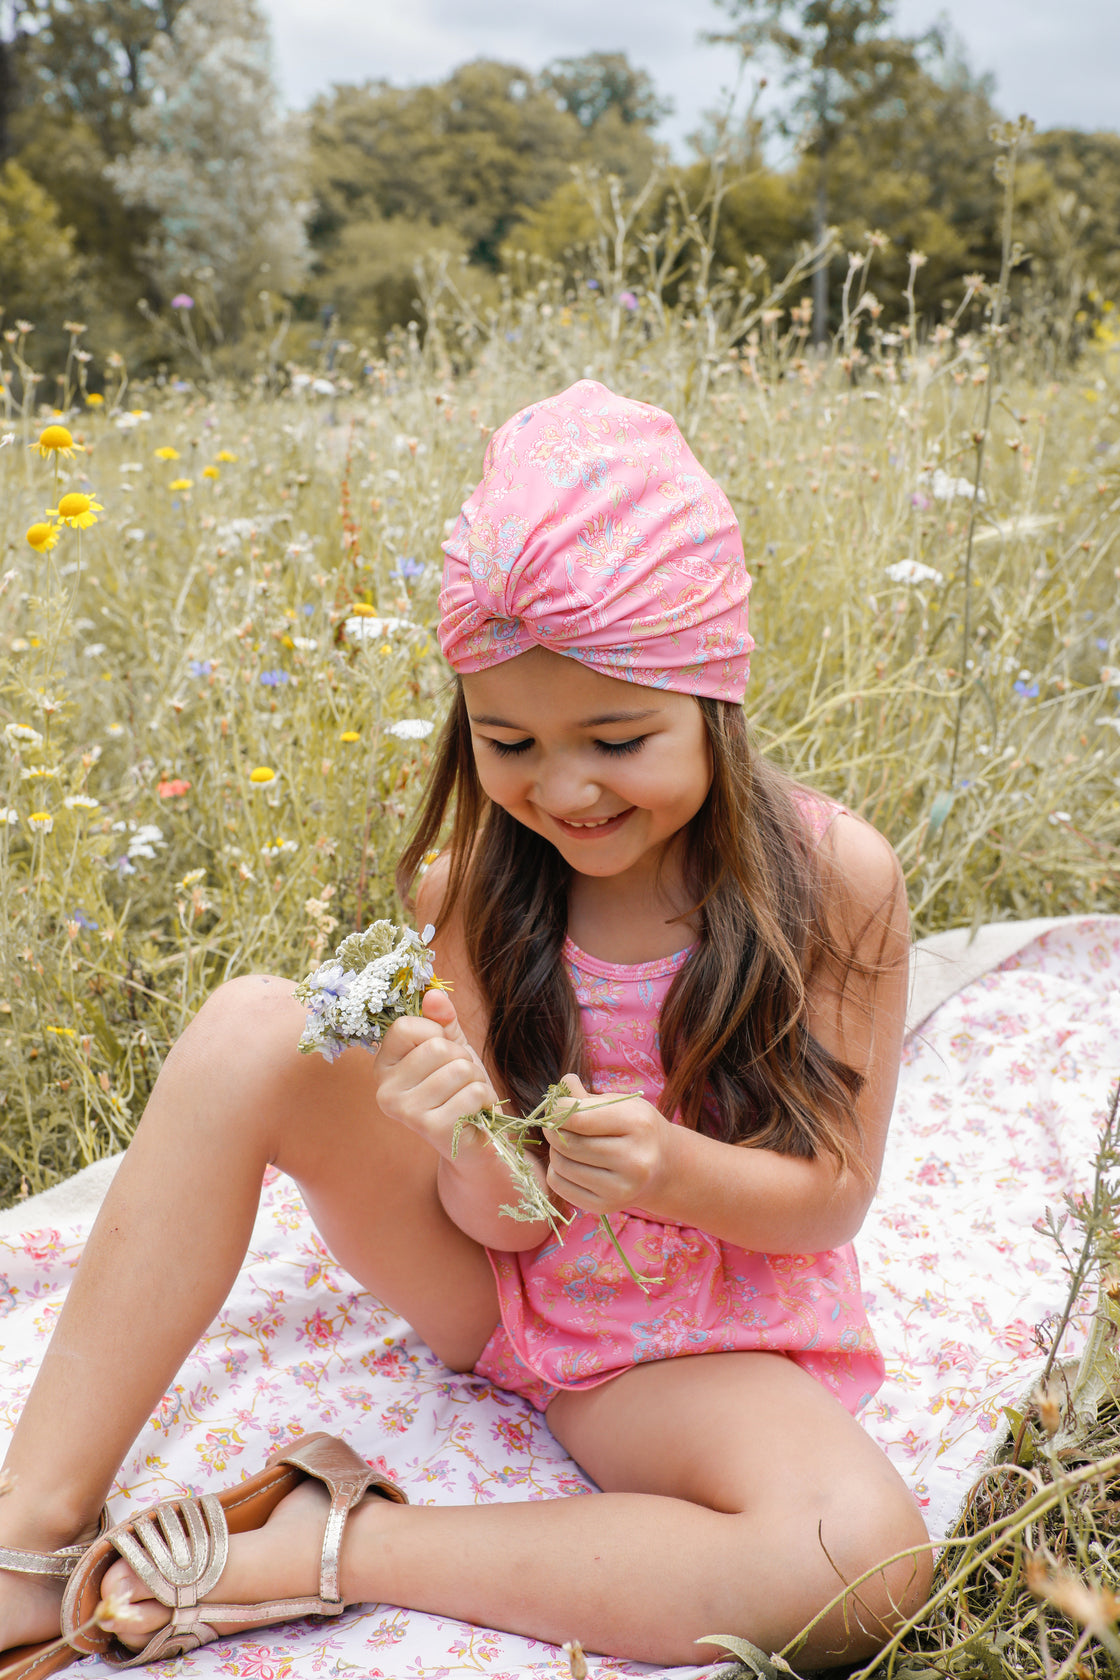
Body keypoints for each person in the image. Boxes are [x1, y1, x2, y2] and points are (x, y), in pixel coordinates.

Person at [0, 380, 931, 1675]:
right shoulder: (476, 884)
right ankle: (32, 1537)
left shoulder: (837, 880)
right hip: (498, 1279)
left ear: (714, 698)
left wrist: (669, 1172)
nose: (562, 788)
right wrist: (463, 1131)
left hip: (683, 1339)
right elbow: (498, 1225)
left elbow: (827, 1198)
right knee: (251, 1026)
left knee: (858, 1560)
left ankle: (338, 1545)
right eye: (508, 740)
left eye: (617, 738)